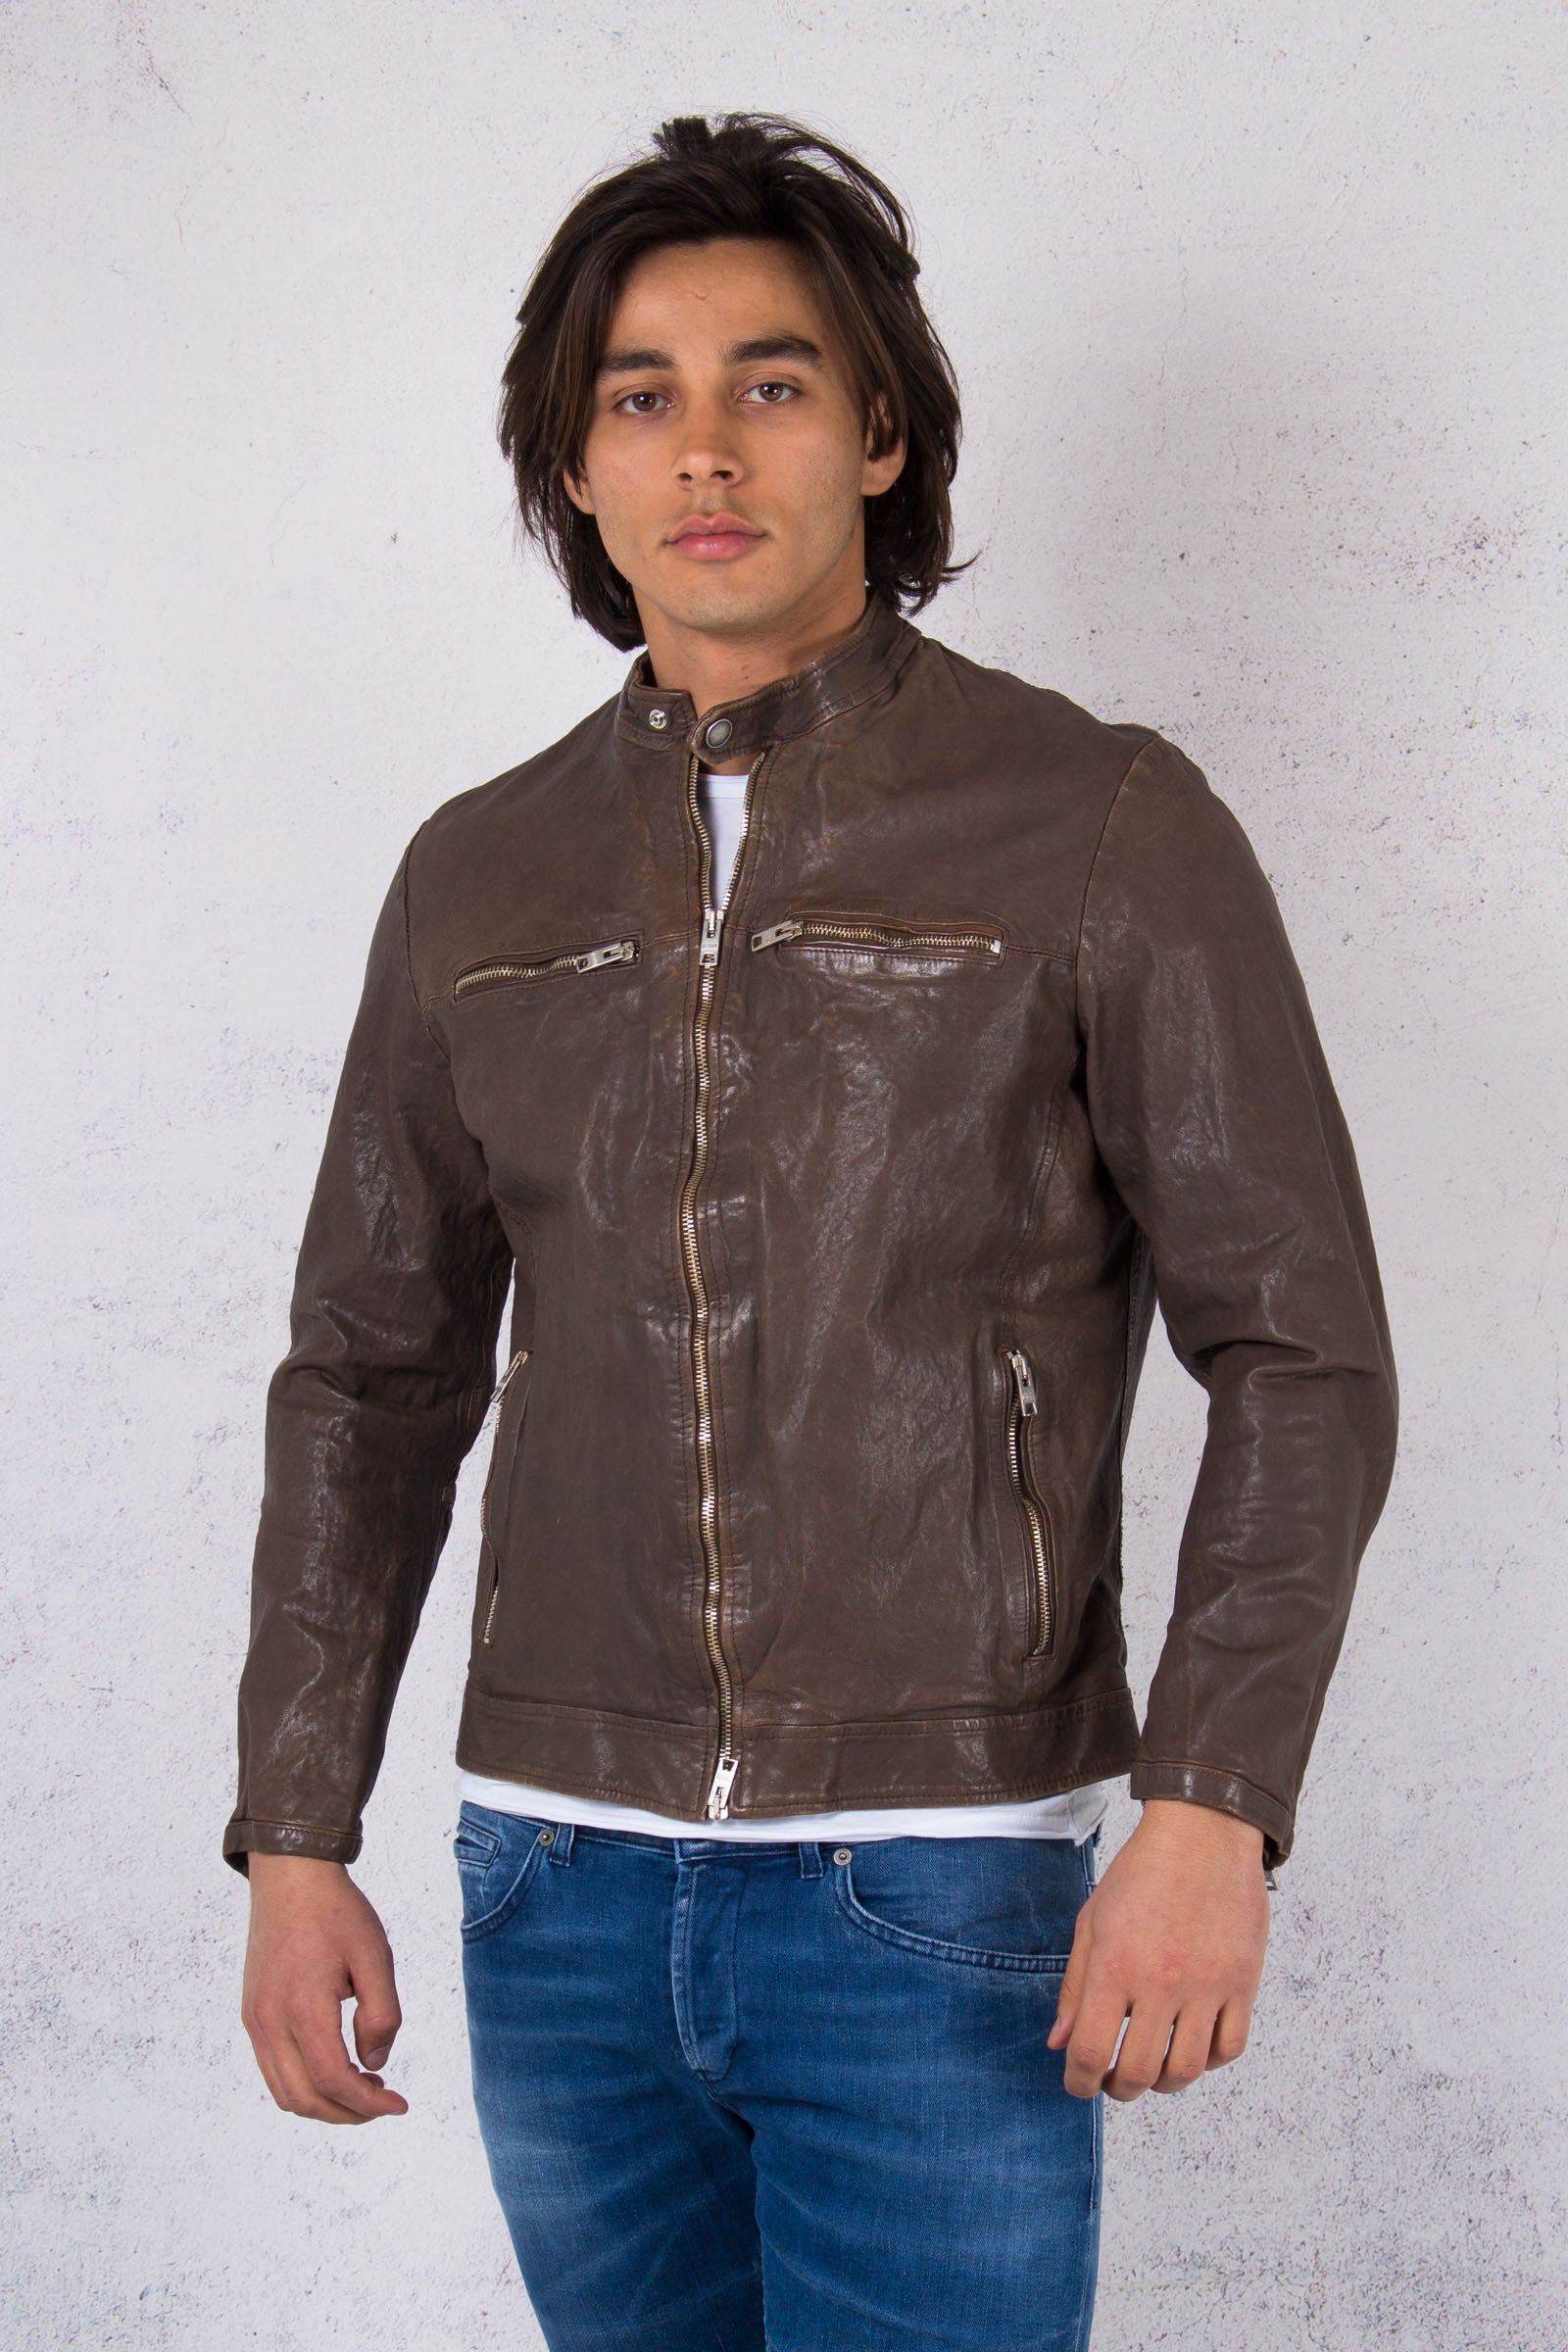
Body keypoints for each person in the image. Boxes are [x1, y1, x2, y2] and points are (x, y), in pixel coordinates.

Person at [226, 112, 1398, 2352]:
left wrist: (1210, 1801)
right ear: (572, 468)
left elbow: (1299, 1347)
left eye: (768, 381)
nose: (703, 446)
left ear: (875, 433)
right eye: (637, 395)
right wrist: (298, 1830)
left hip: (935, 1884)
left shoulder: (1097, 824)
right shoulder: (474, 876)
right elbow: (366, 1376)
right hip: (549, 1879)